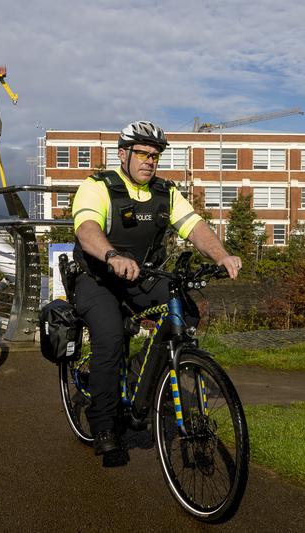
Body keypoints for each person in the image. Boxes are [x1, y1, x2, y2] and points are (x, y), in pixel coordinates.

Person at [71, 121, 242, 467]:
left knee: (186, 315)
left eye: (155, 155)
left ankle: (138, 378)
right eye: (143, 154)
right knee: (110, 336)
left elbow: (194, 226)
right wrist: (111, 255)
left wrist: (221, 255)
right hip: (98, 276)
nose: (150, 161)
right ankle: (105, 426)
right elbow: (86, 229)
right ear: (123, 154)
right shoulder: (97, 187)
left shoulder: (165, 192)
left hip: (142, 275)